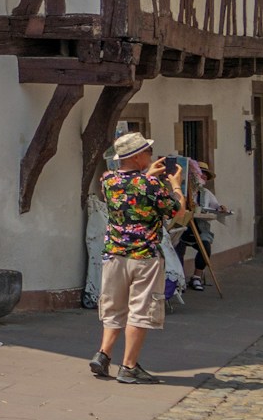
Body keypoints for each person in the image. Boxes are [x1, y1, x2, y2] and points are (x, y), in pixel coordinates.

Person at [90, 132, 185, 386]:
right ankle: (129, 366)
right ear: (138, 155)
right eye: (148, 152)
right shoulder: (151, 186)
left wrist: (146, 176)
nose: (151, 156)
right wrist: (176, 185)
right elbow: (178, 211)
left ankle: (104, 354)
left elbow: (131, 188)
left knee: (114, 307)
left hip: (114, 254)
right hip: (144, 256)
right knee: (140, 311)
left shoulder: (107, 181)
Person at [176, 162, 223, 291]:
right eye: (202, 175)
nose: (204, 179)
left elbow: (216, 207)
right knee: (178, 247)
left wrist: (221, 208)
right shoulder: (183, 191)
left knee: (205, 247)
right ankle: (178, 278)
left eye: (206, 177)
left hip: (200, 227)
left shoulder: (206, 193)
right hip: (184, 225)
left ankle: (197, 276)